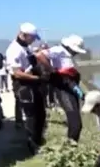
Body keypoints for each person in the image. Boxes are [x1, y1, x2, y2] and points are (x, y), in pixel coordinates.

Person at [5, 22, 48, 153]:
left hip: (33, 83)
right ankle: (32, 145)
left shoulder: (25, 48)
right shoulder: (14, 50)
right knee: (31, 116)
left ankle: (39, 139)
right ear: (24, 35)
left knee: (41, 113)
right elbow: (17, 73)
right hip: (24, 86)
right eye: (32, 38)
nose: (34, 40)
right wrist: (38, 78)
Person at [38, 35, 87, 143]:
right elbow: (40, 55)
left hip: (71, 88)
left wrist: (82, 95)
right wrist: (51, 69)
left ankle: (71, 146)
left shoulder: (68, 55)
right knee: (76, 124)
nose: (77, 53)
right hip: (64, 90)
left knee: (76, 123)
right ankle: (70, 148)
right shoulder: (59, 50)